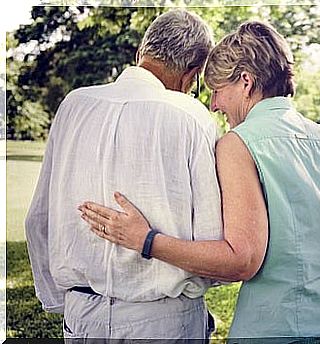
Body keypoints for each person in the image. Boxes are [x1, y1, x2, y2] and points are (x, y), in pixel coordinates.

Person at [80, 21, 320, 343]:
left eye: (218, 90)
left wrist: (145, 240)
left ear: (246, 82)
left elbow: (241, 259)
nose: (214, 104)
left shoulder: (239, 142)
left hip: (282, 329)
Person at [25, 9, 221, 341]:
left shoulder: (73, 105)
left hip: (82, 311)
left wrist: (66, 301)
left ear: (140, 53)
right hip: (163, 316)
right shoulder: (192, 117)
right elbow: (211, 237)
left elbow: (38, 220)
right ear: (193, 74)